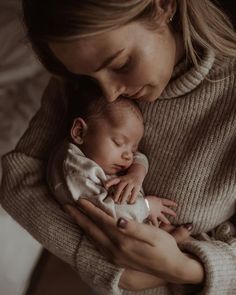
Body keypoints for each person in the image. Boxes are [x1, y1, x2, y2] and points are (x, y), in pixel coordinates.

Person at [1, 0, 236, 294]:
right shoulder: (83, 70)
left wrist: (189, 269)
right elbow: (18, 175)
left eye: (121, 64)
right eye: (88, 77)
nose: (110, 95)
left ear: (163, 6)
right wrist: (110, 267)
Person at [48, 94, 177, 225]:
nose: (129, 156)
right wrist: (147, 207)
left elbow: (140, 156)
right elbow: (109, 214)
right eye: (118, 142)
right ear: (79, 132)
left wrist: (136, 174)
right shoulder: (76, 172)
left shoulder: (95, 155)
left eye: (132, 149)